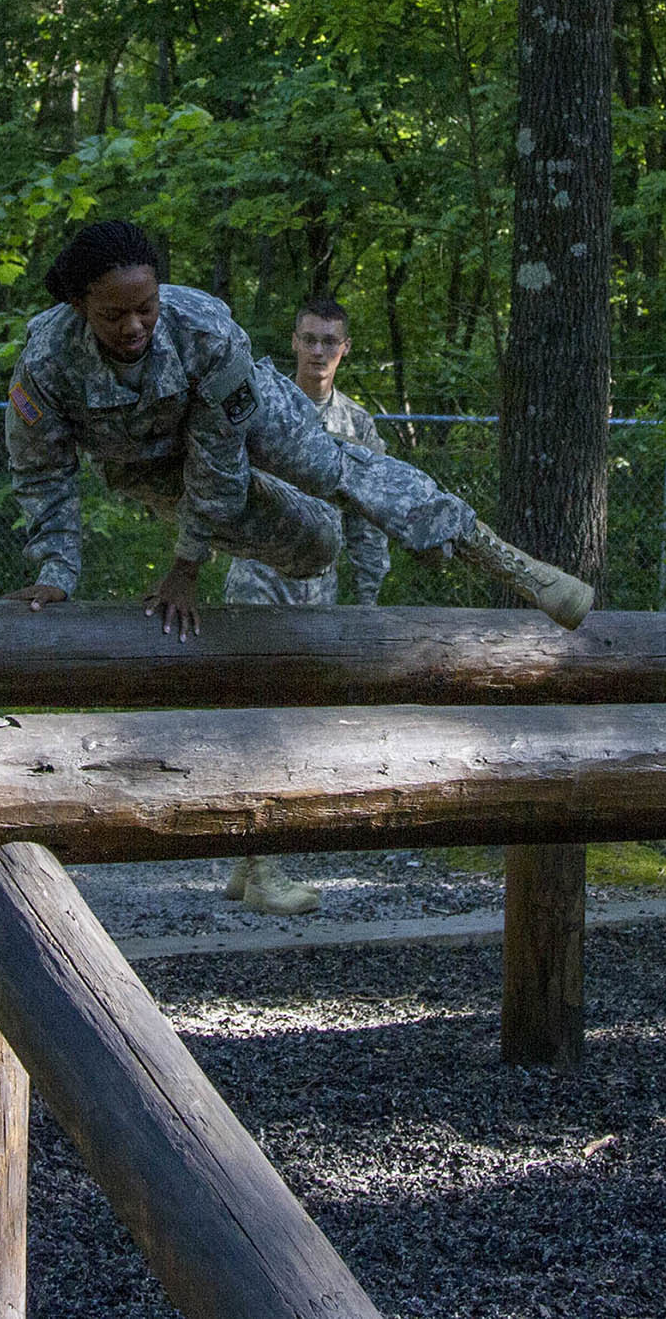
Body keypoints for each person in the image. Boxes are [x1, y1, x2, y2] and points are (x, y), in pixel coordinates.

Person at [2, 220, 592, 637]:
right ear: (79, 306)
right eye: (114, 314)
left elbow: (220, 459)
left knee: (328, 466)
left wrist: (186, 568)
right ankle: (307, 533)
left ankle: (506, 561)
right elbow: (43, 471)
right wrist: (56, 572)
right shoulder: (46, 363)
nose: (135, 325)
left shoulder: (205, 331)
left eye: (147, 307)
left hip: (241, 421)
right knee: (317, 546)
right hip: (148, 464)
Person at [218, 298, 392, 915]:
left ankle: (251, 862)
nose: (318, 351)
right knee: (262, 727)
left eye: (330, 342)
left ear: (345, 350)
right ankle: (265, 868)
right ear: (293, 342)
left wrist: (368, 599)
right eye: (309, 339)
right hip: (257, 585)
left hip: (317, 594)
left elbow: (373, 515)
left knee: (287, 727)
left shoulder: (357, 425)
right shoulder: (262, 408)